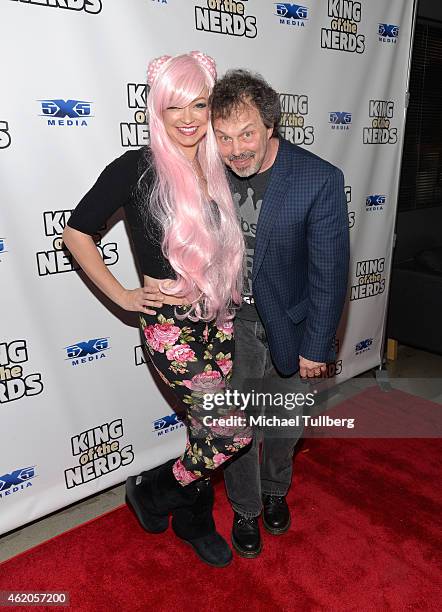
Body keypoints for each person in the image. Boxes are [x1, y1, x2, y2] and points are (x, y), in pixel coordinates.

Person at [144, 69, 349, 557]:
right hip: (225, 324)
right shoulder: (203, 172)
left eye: (247, 134)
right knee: (234, 428)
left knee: (284, 422)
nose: (235, 149)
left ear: (271, 126)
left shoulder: (317, 179)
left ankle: (277, 491)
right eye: (224, 136)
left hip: (291, 324)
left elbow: (330, 274)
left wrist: (316, 347)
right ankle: (246, 510)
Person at [63, 52, 252, 568]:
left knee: (204, 429)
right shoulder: (134, 167)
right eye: (175, 106)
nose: (189, 118)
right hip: (170, 327)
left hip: (218, 319)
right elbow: (76, 232)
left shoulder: (218, 167)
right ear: (157, 109)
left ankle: (193, 519)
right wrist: (123, 295)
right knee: (233, 429)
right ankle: (152, 492)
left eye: (200, 104)